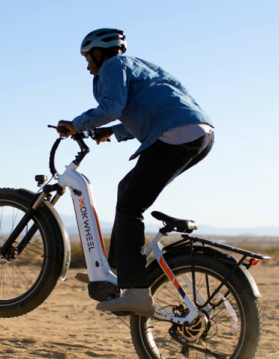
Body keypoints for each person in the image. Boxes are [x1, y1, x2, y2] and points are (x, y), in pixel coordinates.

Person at [58, 28, 214, 316]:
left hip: (176, 134)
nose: (87, 66)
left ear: (98, 53)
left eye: (88, 58)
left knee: (130, 207)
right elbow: (149, 110)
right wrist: (112, 132)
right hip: (197, 134)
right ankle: (117, 270)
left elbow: (112, 106)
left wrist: (75, 124)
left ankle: (136, 291)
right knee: (126, 189)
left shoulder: (113, 65)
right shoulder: (141, 66)